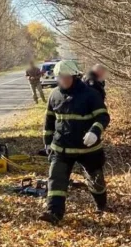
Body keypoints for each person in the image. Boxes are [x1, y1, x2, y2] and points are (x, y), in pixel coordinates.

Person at [40, 60, 111, 225]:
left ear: (74, 76)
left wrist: (95, 131)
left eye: (64, 77)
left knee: (96, 180)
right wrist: (48, 143)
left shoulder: (90, 94)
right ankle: (53, 213)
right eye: (59, 77)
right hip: (61, 148)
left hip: (88, 149)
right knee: (56, 180)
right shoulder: (54, 95)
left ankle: (102, 205)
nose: (61, 80)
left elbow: (103, 116)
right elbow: (49, 122)